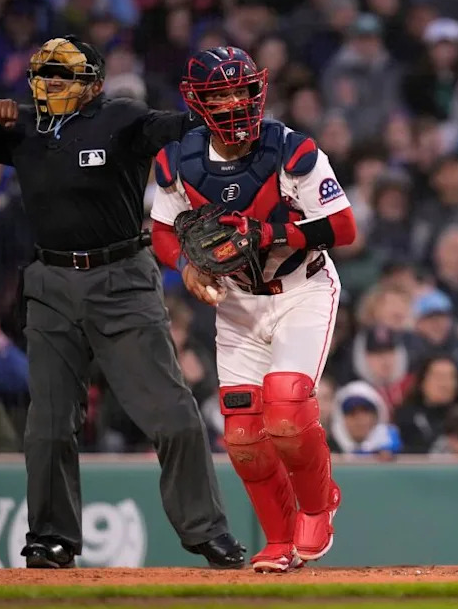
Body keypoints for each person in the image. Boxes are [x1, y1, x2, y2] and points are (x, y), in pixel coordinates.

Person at [0, 35, 243, 569]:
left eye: (64, 75)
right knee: (49, 424)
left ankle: (206, 530)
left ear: (95, 84)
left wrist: (217, 113)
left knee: (173, 415)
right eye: (46, 73)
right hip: (51, 283)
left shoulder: (120, 117)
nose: (52, 83)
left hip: (121, 280)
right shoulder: (24, 128)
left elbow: (176, 127)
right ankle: (52, 538)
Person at [151, 46, 357, 572]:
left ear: (257, 89)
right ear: (199, 101)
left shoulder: (291, 151)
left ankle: (318, 504)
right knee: (243, 435)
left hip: (302, 290)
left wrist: (268, 232)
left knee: (286, 409)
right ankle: (278, 538)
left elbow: (343, 228)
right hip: (238, 302)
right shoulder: (179, 162)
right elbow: (160, 231)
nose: (234, 102)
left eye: (241, 89)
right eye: (220, 93)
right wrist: (186, 266)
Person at [328, 380, 401, 457]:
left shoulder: (394, 448)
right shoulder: (327, 449)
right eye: (352, 412)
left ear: (376, 416)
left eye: (365, 411)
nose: (359, 419)